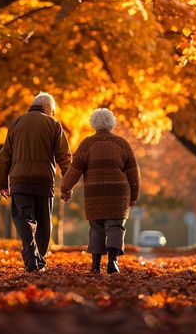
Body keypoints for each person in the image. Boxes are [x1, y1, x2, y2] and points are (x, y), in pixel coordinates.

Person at [0, 92, 71, 272]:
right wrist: (68, 185)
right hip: (43, 182)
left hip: (19, 181)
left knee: (24, 219)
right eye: (52, 111)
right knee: (44, 224)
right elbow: (64, 157)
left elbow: (4, 156)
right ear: (47, 108)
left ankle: (32, 257)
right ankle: (39, 260)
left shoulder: (16, 123)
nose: (52, 115)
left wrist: (3, 183)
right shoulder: (53, 125)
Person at [61, 108, 140, 274]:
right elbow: (133, 171)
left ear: (93, 123)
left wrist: (66, 188)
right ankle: (113, 262)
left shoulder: (87, 144)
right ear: (112, 123)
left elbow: (74, 169)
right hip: (118, 193)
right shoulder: (122, 143)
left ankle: (96, 265)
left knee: (96, 227)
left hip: (94, 192)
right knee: (115, 227)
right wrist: (134, 194)